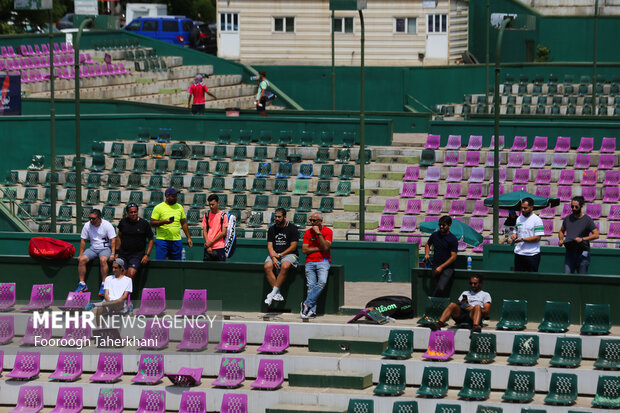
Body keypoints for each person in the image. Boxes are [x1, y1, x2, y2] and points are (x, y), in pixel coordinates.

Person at [76, 209, 116, 296]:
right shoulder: (87, 225)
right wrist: (80, 254)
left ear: (99, 218)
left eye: (93, 218)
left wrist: (113, 253)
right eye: (90, 218)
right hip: (93, 248)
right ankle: (82, 284)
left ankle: (104, 284)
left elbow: (113, 240)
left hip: (105, 249)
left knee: (103, 260)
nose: (91, 220)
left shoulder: (107, 225)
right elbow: (83, 240)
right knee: (82, 260)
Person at [264, 208, 299, 306]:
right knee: (267, 266)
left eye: (279, 217)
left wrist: (280, 255)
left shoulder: (293, 228)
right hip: (275, 254)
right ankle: (277, 293)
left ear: (284, 217)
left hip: (290, 255)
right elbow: (270, 246)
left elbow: (293, 247)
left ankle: (272, 294)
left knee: (285, 266)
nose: (277, 218)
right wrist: (274, 258)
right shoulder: (271, 229)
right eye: (275, 217)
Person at [300, 212, 333, 319]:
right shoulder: (307, 233)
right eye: (311, 220)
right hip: (309, 261)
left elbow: (326, 247)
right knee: (311, 287)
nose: (312, 223)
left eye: (315, 221)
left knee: (322, 281)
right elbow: (304, 250)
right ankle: (312, 311)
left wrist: (319, 234)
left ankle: (306, 304)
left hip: (323, 261)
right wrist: (319, 249)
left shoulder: (328, 231)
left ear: (320, 221)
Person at [558, 196, 599, 274]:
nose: (573, 208)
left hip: (583, 253)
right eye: (572, 206)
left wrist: (582, 239)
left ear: (581, 206)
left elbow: (596, 235)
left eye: (576, 207)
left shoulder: (587, 220)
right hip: (570, 252)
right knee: (567, 277)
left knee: (582, 278)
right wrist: (560, 239)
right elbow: (561, 231)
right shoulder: (567, 218)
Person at [86, 258, 133, 326]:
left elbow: (124, 297)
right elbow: (106, 295)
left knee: (118, 302)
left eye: (115, 268)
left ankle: (95, 305)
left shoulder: (128, 280)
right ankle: (100, 333)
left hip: (119, 304)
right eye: (113, 267)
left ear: (121, 268)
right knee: (99, 310)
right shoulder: (108, 278)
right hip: (108, 303)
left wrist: (111, 302)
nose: (113, 270)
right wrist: (109, 302)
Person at [150, 188, 193, 260]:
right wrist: (164, 222)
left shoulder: (180, 207)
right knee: (160, 264)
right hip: (162, 240)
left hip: (176, 240)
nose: (176, 198)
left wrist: (188, 237)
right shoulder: (158, 207)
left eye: (176, 196)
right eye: (173, 196)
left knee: (176, 265)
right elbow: (152, 223)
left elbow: (184, 223)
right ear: (167, 196)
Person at [114, 203, 154, 279]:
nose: (133, 214)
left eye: (135, 212)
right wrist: (116, 252)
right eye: (131, 212)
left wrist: (147, 255)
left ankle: (126, 291)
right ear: (127, 213)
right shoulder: (123, 222)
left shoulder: (144, 223)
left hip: (137, 255)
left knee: (130, 274)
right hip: (123, 254)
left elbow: (151, 239)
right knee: (121, 275)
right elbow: (119, 237)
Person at [424, 215, 458, 297]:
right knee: (435, 287)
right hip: (435, 265)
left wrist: (441, 267)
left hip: (447, 268)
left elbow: (453, 257)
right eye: (440, 225)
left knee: (441, 288)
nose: (441, 227)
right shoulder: (435, 235)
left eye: (443, 225)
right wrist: (427, 254)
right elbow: (427, 244)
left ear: (449, 226)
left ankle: (434, 304)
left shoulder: (453, 239)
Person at [510, 197, 545, 272]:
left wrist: (522, 239)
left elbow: (537, 238)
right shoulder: (519, 219)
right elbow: (515, 231)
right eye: (522, 208)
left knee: (531, 280)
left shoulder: (537, 220)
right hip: (519, 253)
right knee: (518, 280)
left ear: (531, 207)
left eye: (525, 208)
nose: (523, 210)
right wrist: (514, 235)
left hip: (532, 254)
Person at [201, 194, 228, 262]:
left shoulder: (223, 216)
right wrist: (208, 244)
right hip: (208, 247)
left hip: (219, 247)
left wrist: (211, 243)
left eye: (213, 204)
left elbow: (223, 233)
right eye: (209, 204)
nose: (211, 206)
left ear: (218, 203)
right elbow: (204, 231)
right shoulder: (206, 215)